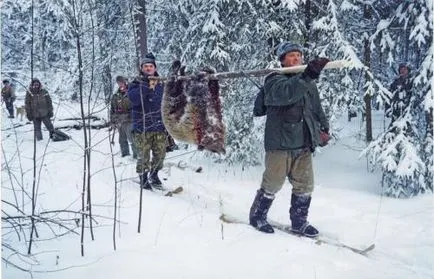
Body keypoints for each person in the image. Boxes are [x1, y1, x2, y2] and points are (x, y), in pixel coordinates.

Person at [249, 42, 330, 238]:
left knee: (305, 185)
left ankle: (299, 222)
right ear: (283, 60)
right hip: (280, 143)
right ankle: (257, 216)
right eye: (291, 55)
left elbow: (315, 108)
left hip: (304, 141)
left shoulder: (308, 81)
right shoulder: (274, 80)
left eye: (299, 55)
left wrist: (323, 127)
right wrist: (307, 76)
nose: (296, 59)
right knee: (273, 183)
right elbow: (287, 94)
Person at [128, 53, 167, 190]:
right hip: (141, 127)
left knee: (160, 155)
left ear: (155, 67)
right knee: (143, 156)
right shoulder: (135, 83)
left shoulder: (162, 83)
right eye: (146, 66)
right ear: (142, 68)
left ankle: (154, 174)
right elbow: (134, 99)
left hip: (159, 126)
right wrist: (147, 86)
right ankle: (143, 178)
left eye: (151, 66)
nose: (149, 68)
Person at [110, 76, 137, 158]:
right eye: (119, 83)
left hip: (130, 120)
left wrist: (129, 115)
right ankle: (125, 155)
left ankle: (137, 155)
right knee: (122, 140)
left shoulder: (131, 93)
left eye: (122, 82)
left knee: (132, 139)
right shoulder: (116, 95)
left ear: (125, 82)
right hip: (120, 121)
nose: (120, 84)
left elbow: (136, 107)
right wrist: (113, 121)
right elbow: (112, 109)